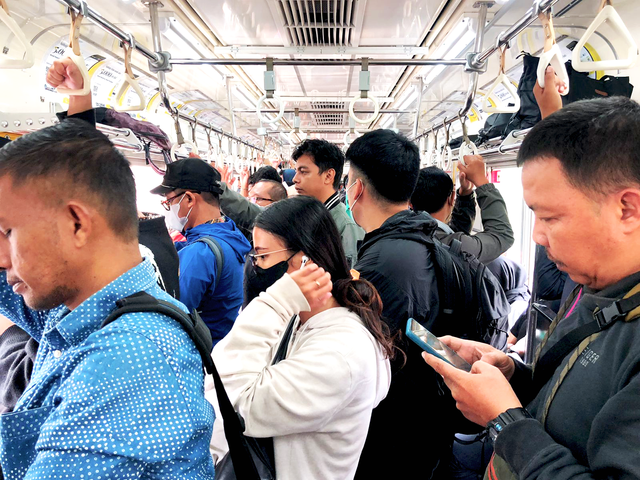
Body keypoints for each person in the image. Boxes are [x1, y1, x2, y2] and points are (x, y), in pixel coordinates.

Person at [423, 94, 640, 479]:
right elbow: (566, 396)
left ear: (627, 209)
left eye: (551, 217)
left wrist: (503, 420)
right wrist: (512, 373)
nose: (537, 236)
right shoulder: (587, 286)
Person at [0, 119, 215, 478]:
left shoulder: (130, 358)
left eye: (8, 231)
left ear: (77, 224)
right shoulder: (78, 306)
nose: (2, 257)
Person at [209, 196, 393, 480]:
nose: (255, 267)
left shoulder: (340, 353)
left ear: (304, 262)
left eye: (262, 256)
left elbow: (229, 404)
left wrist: (275, 302)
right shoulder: (301, 320)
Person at [345, 129, 465, 479]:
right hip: (431, 411)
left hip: (395, 425)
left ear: (357, 188)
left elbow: (364, 355)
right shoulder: (431, 236)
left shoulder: (380, 262)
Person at [151, 158, 251, 346]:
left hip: (203, 359)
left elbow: (172, 317)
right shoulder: (230, 233)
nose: (168, 209)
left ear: (189, 199)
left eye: (169, 202)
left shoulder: (200, 253)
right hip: (223, 346)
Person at [411, 156, 514, 264]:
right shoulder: (446, 246)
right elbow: (502, 236)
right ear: (451, 198)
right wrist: (482, 182)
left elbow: (453, 236)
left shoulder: (408, 230)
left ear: (411, 204)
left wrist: (465, 195)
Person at [292, 139, 364, 267]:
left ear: (328, 176)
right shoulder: (308, 216)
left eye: (303, 172)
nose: (295, 179)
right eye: (296, 171)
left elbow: (349, 280)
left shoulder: (346, 226)